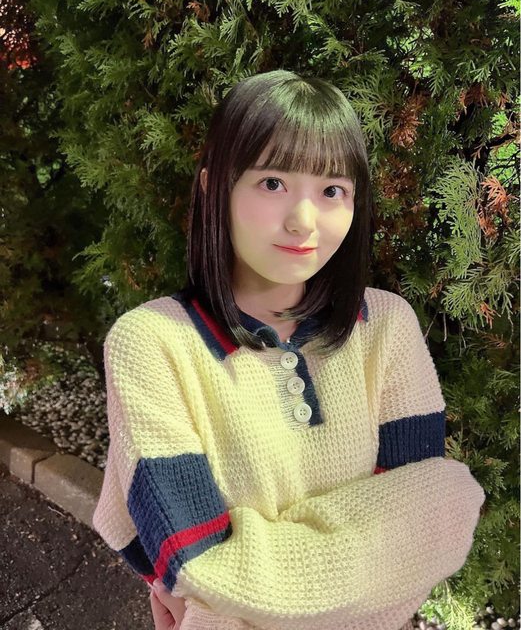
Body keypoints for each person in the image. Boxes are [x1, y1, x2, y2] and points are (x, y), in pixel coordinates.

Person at [92, 70, 485, 630]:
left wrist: (219, 612)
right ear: (214, 187)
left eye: (332, 191)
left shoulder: (386, 325)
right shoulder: (152, 342)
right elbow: (194, 558)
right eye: (273, 182)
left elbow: (431, 520)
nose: (304, 221)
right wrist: (364, 576)